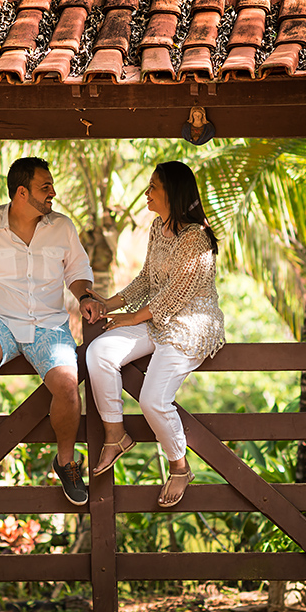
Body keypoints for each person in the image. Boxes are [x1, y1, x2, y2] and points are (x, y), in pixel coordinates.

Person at [0, 157, 102, 506]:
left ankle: (65, 462)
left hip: (49, 324)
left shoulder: (62, 227)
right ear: (21, 192)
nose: (53, 193)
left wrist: (85, 296)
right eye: (46, 188)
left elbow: (76, 270)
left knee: (67, 385)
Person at [84, 161, 224, 508]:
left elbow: (176, 295)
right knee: (98, 354)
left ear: (171, 192)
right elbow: (148, 279)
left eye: (152, 187)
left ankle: (179, 466)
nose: (146, 194)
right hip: (156, 319)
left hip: (191, 324)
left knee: (152, 401)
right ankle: (115, 435)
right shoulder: (157, 228)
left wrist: (130, 318)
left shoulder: (197, 239)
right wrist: (109, 303)